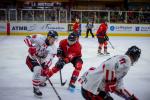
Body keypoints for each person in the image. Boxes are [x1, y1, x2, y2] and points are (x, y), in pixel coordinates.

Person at [24, 30, 58, 97]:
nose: (54, 41)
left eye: (55, 39)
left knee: (43, 76)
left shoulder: (53, 48)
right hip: (32, 58)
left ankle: (40, 82)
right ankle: (36, 89)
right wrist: (31, 46)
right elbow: (26, 38)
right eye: (53, 39)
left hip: (42, 60)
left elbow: (49, 60)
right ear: (49, 37)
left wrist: (46, 67)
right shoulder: (39, 37)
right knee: (37, 69)